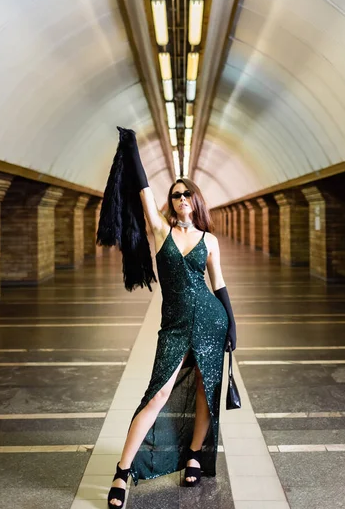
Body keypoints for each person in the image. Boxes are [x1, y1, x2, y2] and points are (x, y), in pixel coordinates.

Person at [107, 129, 237, 508]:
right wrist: (131, 147)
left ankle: (195, 454)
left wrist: (232, 325)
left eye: (187, 194)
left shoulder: (209, 241)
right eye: (176, 194)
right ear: (171, 202)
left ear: (196, 201)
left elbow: (220, 284)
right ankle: (123, 470)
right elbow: (145, 191)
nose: (181, 198)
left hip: (212, 322)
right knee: (158, 392)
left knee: (204, 391)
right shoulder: (159, 230)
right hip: (175, 325)